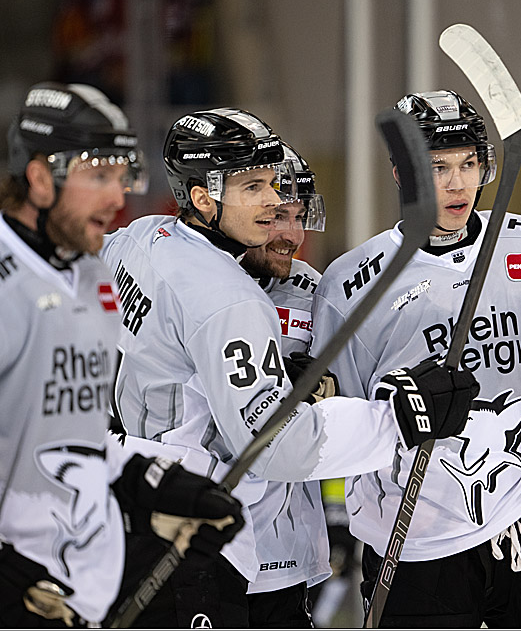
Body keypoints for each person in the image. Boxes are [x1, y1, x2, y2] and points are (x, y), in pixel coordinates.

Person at [101, 107, 480, 627]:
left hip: (142, 515)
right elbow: (280, 444)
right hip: (200, 539)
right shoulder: (227, 297)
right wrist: (402, 417)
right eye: (255, 188)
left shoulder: (140, 238)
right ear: (203, 196)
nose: (277, 209)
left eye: (278, 190)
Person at [311, 89, 521, 627]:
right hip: (414, 544)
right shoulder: (350, 288)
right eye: (437, 167)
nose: (458, 184)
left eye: (468, 164)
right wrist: (337, 515)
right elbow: (330, 432)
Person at [0, 82, 245, 628]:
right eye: (98, 176)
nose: (118, 198)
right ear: (40, 178)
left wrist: (151, 484)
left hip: (82, 584)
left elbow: (68, 441)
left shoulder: (88, 281)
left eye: (123, 175)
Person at [239, 142, 332, 627]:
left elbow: (348, 396)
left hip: (281, 558)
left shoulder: (316, 291)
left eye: (299, 217)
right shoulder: (188, 282)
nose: (292, 236)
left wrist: (320, 388)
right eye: (277, 217)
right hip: (193, 541)